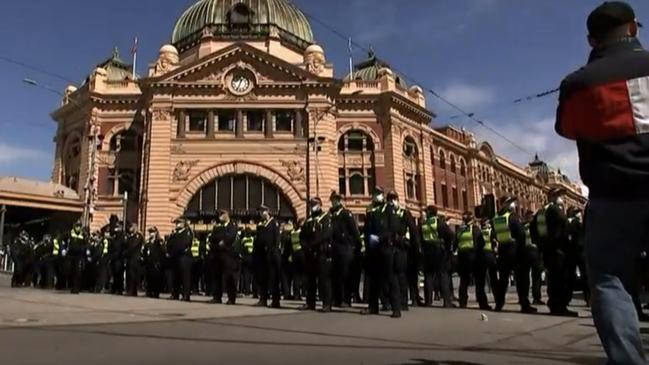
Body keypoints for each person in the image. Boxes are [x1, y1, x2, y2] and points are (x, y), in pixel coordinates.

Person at [556, 2, 649, 361]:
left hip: (614, 196)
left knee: (609, 279)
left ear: (591, 40)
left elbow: (567, 128)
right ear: (633, 29)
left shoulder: (577, 84)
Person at [533, 189, 576, 317]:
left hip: (546, 249)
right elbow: (565, 225)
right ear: (552, 197)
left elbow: (533, 229)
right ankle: (560, 306)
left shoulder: (540, 212)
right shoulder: (555, 209)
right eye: (558, 196)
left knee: (552, 277)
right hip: (558, 249)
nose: (561, 198)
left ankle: (553, 304)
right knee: (561, 278)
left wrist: (541, 244)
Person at [493, 196, 537, 314]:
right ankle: (524, 304)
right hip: (514, 250)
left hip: (502, 250)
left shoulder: (496, 218)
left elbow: (495, 235)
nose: (512, 205)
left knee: (503, 279)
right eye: (510, 202)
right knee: (522, 278)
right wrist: (523, 249)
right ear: (504, 204)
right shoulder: (512, 217)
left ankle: (499, 304)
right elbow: (520, 234)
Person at [362, 190, 402, 318]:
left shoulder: (389, 209)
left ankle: (396, 308)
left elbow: (394, 227)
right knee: (373, 279)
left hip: (386, 247)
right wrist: (368, 243)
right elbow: (367, 229)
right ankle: (373, 306)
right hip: (373, 249)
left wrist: (380, 237)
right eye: (374, 193)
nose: (376, 196)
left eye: (378, 193)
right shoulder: (371, 210)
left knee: (391, 278)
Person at [300, 197, 333, 312]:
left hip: (321, 252)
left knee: (324, 279)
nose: (312, 206)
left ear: (320, 205)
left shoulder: (325, 218)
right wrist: (305, 246)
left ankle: (327, 304)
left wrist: (312, 244)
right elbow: (302, 235)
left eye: (314, 204)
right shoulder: (309, 219)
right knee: (310, 280)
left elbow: (326, 234)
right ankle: (310, 303)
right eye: (311, 204)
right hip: (310, 253)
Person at [329, 192, 362, 308]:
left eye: (337, 200)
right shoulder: (332, 215)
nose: (334, 202)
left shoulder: (346, 214)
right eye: (333, 200)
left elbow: (354, 231)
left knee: (345, 275)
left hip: (345, 248)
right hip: (335, 248)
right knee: (336, 274)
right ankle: (337, 298)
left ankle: (346, 299)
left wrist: (357, 245)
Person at [420, 206, 454, 308]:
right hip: (439, 251)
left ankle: (428, 301)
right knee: (443, 275)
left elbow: (420, 238)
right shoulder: (440, 223)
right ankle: (447, 302)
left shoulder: (423, 224)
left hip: (427, 252)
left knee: (428, 276)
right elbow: (451, 235)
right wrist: (447, 247)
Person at [253, 205, 281, 308]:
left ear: (268, 212)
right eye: (260, 211)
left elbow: (277, 238)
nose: (261, 213)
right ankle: (263, 299)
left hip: (271, 255)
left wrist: (274, 251)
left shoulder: (274, 223)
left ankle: (275, 301)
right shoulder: (260, 224)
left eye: (263, 211)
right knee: (262, 278)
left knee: (273, 279)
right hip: (261, 255)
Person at [209, 210, 239, 305]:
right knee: (216, 276)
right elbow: (212, 238)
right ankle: (217, 297)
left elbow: (230, 237)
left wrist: (222, 240)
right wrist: (220, 239)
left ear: (227, 215)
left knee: (229, 277)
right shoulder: (218, 226)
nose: (220, 216)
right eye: (219, 214)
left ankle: (231, 298)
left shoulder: (232, 226)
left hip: (228, 255)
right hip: (217, 255)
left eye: (222, 214)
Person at [455, 212, 483, 309]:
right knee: (479, 281)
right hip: (473, 256)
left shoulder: (459, 230)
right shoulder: (474, 229)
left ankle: (463, 302)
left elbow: (455, 244)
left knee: (463, 281)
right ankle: (482, 302)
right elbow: (480, 242)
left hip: (462, 256)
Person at [166, 218, 194, 301]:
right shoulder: (174, 234)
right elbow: (169, 244)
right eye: (176, 223)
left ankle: (186, 295)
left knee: (185, 277)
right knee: (175, 277)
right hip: (175, 257)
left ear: (183, 223)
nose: (177, 224)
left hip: (184, 257)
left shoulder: (187, 232)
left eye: (179, 222)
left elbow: (183, 244)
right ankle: (175, 294)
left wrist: (174, 249)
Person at [566, 207, 589, 306]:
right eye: (578, 212)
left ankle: (567, 298)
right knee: (585, 275)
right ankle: (588, 298)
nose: (579, 214)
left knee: (570, 276)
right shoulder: (576, 222)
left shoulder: (566, 222)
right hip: (580, 252)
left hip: (570, 252)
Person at [476, 218, 498, 310]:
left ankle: (482, 303)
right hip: (490, 256)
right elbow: (495, 244)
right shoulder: (491, 232)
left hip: (481, 257)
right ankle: (498, 301)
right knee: (494, 280)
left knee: (480, 282)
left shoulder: (478, 232)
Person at [143, 227, 165, 298]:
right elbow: (144, 252)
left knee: (156, 279)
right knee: (149, 278)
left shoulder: (159, 241)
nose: (150, 234)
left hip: (156, 263)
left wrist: (160, 261)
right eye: (150, 232)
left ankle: (156, 293)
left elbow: (163, 251)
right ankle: (149, 292)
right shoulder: (147, 242)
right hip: (149, 263)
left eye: (152, 232)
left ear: (156, 233)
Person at [123, 223, 144, 297]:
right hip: (130, 258)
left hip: (135, 258)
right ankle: (130, 290)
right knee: (130, 274)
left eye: (131, 227)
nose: (129, 229)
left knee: (133, 275)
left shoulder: (138, 236)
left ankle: (132, 291)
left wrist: (125, 253)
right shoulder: (130, 236)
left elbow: (133, 246)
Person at [67, 222, 88, 294]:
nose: (78, 228)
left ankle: (75, 288)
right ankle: (71, 286)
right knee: (69, 270)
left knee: (77, 272)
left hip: (79, 256)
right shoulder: (70, 233)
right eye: (76, 226)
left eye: (79, 226)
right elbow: (62, 240)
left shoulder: (83, 235)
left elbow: (86, 244)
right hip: (70, 255)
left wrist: (82, 249)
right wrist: (64, 249)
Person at [109, 223, 125, 295]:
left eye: (118, 227)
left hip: (120, 258)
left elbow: (123, 247)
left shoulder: (122, 236)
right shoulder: (114, 236)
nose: (116, 229)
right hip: (114, 258)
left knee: (119, 274)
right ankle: (114, 288)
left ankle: (119, 289)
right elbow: (111, 246)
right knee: (114, 274)